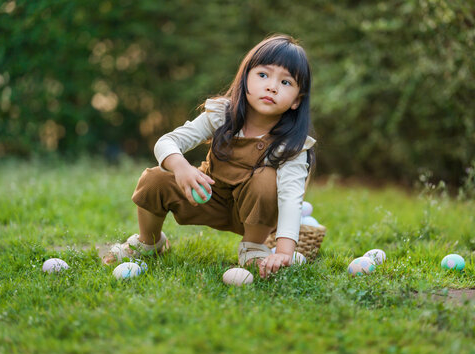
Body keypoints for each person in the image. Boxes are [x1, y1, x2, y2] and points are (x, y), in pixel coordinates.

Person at [103, 34, 316, 278]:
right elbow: (168, 141)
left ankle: (254, 248)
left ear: (296, 101)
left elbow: (290, 198)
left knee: (267, 179)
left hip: (253, 214)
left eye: (286, 82)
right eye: (263, 75)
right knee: (155, 179)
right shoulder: (222, 114)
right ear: (245, 77)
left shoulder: (292, 146)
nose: (272, 86)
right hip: (206, 197)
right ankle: (149, 242)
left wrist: (283, 251)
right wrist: (181, 167)